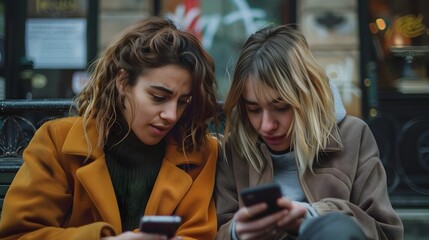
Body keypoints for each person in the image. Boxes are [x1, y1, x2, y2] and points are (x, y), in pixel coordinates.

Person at [0, 17, 219, 240]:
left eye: (183, 102)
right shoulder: (57, 141)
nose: (172, 115)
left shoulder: (197, 151)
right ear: (122, 82)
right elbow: (20, 234)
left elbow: (198, 234)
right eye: (158, 97)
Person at [215, 24, 404, 240]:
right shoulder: (233, 149)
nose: (267, 125)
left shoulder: (353, 135)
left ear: (308, 95)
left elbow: (386, 232)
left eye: (281, 107)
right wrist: (236, 232)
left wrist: (315, 216)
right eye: (254, 109)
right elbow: (217, 230)